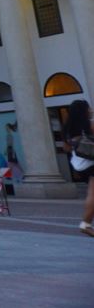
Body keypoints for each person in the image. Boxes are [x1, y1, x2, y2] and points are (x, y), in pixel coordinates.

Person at [62, 99, 94, 238]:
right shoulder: (89, 125)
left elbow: (66, 148)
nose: (90, 110)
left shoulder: (67, 129)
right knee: (92, 194)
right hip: (91, 162)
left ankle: (86, 223)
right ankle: (85, 224)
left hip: (79, 164)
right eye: (88, 108)